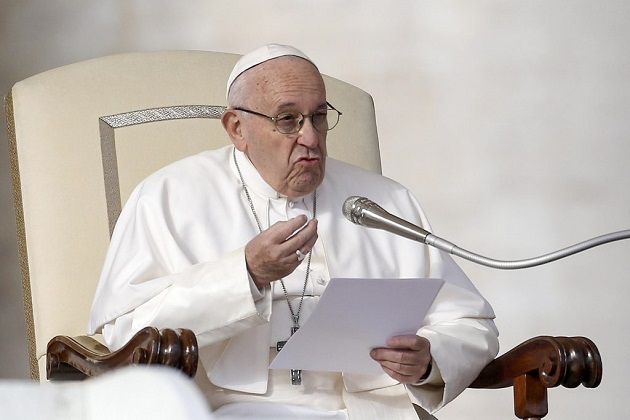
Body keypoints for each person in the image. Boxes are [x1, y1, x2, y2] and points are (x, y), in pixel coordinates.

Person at [88, 44, 499, 419]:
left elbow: (470, 323)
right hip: (229, 410)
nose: (311, 138)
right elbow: (126, 333)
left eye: (319, 116)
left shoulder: (384, 201)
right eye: (288, 119)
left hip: (372, 410)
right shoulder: (169, 197)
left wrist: (429, 360)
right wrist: (246, 274)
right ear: (236, 128)